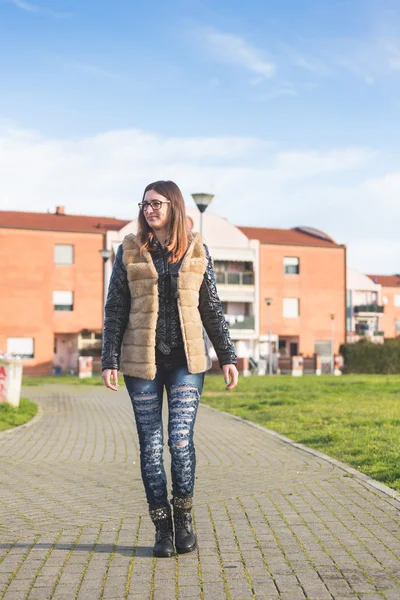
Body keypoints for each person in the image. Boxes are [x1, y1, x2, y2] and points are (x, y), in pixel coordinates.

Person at [101, 180, 238, 558]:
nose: (149, 209)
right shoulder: (128, 250)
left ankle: (185, 520)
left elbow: (211, 307)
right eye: (144, 204)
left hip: (187, 362)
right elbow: (115, 308)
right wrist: (108, 359)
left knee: (179, 440)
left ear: (173, 206)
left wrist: (227, 356)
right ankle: (162, 529)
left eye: (156, 203)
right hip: (140, 363)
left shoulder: (197, 250)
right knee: (150, 446)